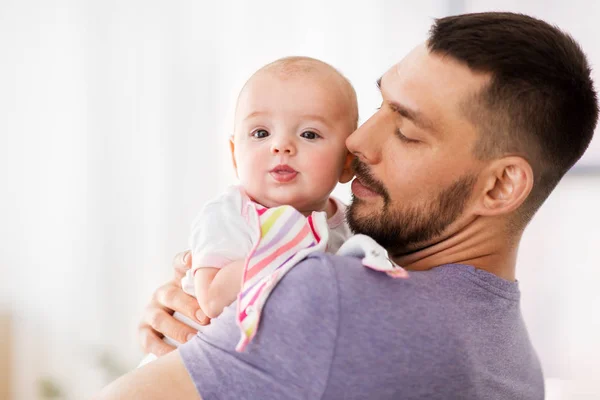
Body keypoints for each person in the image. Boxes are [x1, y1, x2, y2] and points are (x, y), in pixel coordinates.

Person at [96, 12, 598, 399]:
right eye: (380, 104)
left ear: (500, 186)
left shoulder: (326, 296)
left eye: (405, 130)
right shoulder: (514, 358)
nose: (357, 140)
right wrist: (207, 336)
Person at [139, 56, 358, 363]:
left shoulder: (351, 227)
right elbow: (212, 300)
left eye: (309, 134)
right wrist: (286, 254)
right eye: (260, 133)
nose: (281, 145)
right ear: (234, 155)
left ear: (348, 162)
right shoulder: (228, 214)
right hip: (184, 364)